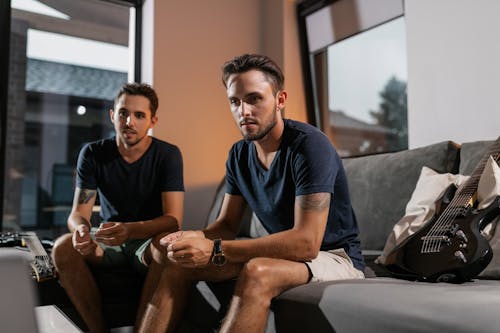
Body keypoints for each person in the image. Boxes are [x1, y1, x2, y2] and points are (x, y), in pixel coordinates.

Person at [137, 54, 365, 333]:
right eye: (235, 101)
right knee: (175, 264)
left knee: (258, 271)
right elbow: (227, 225)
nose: (243, 111)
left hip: (334, 256)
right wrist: (190, 239)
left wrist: (216, 249)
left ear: (280, 100)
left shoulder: (310, 146)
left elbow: (307, 243)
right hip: (287, 254)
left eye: (254, 98)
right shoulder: (238, 154)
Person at [51, 83, 184, 333]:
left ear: (152, 120)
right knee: (62, 248)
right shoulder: (92, 153)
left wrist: (130, 230)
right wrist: (81, 231)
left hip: (146, 241)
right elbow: (79, 214)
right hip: (108, 241)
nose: (129, 121)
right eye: (123, 113)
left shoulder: (168, 155)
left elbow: (173, 220)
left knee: (165, 247)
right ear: (112, 115)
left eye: (139, 115)